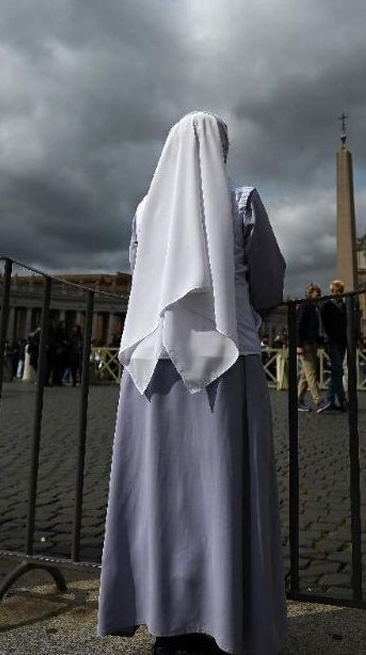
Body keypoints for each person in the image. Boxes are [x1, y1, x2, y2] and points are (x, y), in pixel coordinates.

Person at [98, 112, 287, 655]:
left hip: (152, 367)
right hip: (229, 358)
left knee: (159, 494)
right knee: (223, 489)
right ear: (222, 150)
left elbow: (139, 271)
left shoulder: (145, 210)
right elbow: (269, 279)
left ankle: (164, 618)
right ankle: (225, 620)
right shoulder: (244, 199)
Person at [319, 280, 350, 412]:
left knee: (337, 372)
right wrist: (325, 342)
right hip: (332, 342)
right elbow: (324, 326)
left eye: (340, 292)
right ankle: (333, 400)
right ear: (331, 292)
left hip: (342, 342)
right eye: (335, 291)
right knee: (338, 370)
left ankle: (337, 401)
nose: (337, 294)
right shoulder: (326, 306)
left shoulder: (344, 306)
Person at [293, 284, 324, 411]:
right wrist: (298, 345)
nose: (319, 295)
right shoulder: (305, 306)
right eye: (317, 292)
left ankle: (297, 401)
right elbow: (298, 326)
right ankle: (319, 401)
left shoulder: (314, 307)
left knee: (305, 375)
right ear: (310, 293)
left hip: (312, 343)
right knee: (311, 373)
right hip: (305, 344)